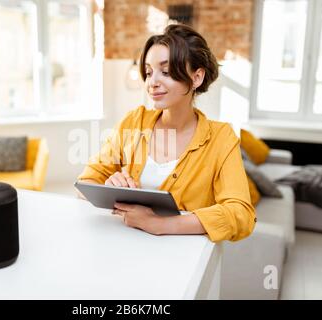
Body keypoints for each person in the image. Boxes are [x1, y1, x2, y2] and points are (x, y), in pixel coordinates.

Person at [76, 23, 256, 242]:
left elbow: (241, 214)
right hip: (125, 247)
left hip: (183, 258)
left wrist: (160, 224)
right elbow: (85, 184)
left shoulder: (222, 138)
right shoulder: (133, 122)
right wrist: (110, 188)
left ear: (196, 77)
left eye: (166, 71)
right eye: (149, 72)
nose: (152, 82)